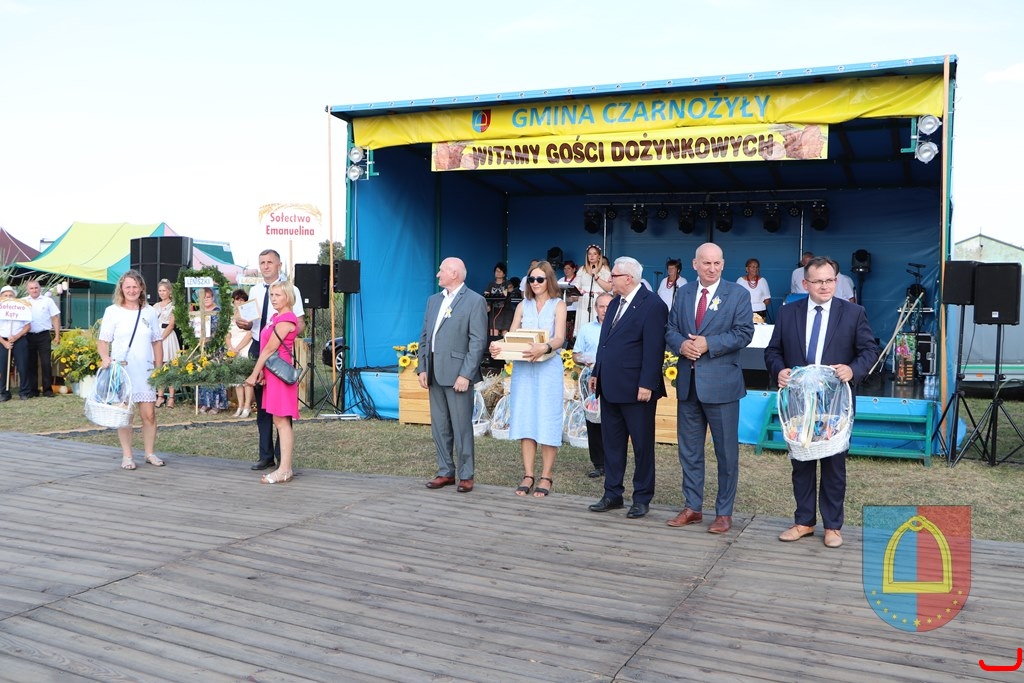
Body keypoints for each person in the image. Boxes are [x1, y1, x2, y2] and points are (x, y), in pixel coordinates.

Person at [764, 256, 878, 549]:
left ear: (836, 282)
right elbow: (773, 351)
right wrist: (779, 370)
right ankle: (803, 522)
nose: (825, 286)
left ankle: (832, 526)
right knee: (801, 463)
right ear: (805, 284)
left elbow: (869, 351)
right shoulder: (788, 313)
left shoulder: (853, 313)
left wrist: (852, 370)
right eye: (818, 281)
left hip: (836, 403)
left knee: (834, 465)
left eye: (830, 280)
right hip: (799, 402)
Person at [665, 243, 754, 534]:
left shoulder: (738, 294)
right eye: (706, 263)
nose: (712, 268)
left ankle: (724, 513)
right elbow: (670, 329)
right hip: (689, 385)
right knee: (689, 451)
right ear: (695, 264)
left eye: (717, 263)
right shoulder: (683, 293)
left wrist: (709, 344)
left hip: (722, 386)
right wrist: (682, 345)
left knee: (726, 454)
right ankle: (692, 507)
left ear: (723, 264)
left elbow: (745, 333)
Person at [587, 256, 667, 519]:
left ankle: (642, 497)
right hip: (610, 386)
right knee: (612, 444)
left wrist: (647, 383)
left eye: (614, 276)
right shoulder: (614, 303)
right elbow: (605, 342)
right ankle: (612, 493)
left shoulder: (653, 304)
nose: (610, 279)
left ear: (629, 278)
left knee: (642, 446)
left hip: (637, 389)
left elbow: (654, 348)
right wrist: (597, 371)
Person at [490, 261, 567, 497]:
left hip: (548, 369)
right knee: (525, 418)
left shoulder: (559, 305)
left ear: (549, 280)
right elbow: (512, 335)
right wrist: (498, 346)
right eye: (531, 279)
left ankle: (546, 476)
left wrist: (544, 347)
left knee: (548, 418)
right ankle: (528, 474)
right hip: (524, 369)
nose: (535, 283)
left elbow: (560, 338)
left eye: (540, 279)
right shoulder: (523, 305)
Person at [417, 257, 488, 493]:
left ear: (454, 273)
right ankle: (445, 471)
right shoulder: (433, 300)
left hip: (458, 375)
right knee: (439, 426)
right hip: (434, 372)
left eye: (442, 271)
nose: (438, 274)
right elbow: (425, 336)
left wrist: (466, 374)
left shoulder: (475, 301)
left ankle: (466, 475)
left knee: (461, 427)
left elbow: (477, 341)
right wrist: (422, 367)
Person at [234, 249, 304, 471]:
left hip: (278, 351)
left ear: (279, 265)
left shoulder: (290, 290)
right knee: (263, 405)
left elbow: (300, 322)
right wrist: (244, 324)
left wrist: (286, 334)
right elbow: (252, 320)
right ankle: (265, 455)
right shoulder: (254, 289)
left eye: (269, 262)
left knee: (281, 409)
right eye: (262, 262)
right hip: (258, 344)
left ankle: (283, 458)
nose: (265, 266)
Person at [96, 270, 164, 470]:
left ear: (141, 288)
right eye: (128, 287)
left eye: (135, 286)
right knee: (125, 415)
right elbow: (103, 341)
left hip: (145, 370)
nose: (132, 290)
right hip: (122, 371)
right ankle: (127, 456)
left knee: (149, 415)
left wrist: (159, 368)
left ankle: (150, 453)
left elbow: (157, 341)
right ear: (121, 289)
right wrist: (105, 357)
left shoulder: (149, 312)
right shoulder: (112, 311)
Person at [244, 280, 300, 484]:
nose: (274, 299)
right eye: (272, 295)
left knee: (282, 421)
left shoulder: (286, 319)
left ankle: (284, 469)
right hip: (271, 373)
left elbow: (269, 349)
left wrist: (254, 374)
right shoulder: (276, 318)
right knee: (278, 420)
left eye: (278, 295)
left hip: (279, 374)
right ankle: (284, 468)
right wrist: (261, 372)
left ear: (288, 297)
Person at [572, 292, 611, 478]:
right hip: (590, 379)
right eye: (601, 306)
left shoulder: (620, 327)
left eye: (608, 306)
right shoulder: (586, 329)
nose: (605, 310)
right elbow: (575, 355)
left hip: (613, 378)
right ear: (595, 308)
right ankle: (599, 464)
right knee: (593, 420)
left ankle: (613, 462)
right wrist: (584, 359)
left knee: (612, 420)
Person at [24, 279, 61, 397]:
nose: (34, 290)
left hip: (44, 335)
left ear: (40, 288)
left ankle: (47, 389)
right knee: (31, 363)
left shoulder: (48, 301)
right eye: (31, 288)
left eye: (36, 287)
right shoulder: (23, 302)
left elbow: (55, 318)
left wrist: (57, 335)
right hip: (28, 336)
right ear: (27, 290)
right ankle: (33, 390)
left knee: (46, 363)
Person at [195, 287, 228, 414]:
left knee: (215, 373)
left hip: (215, 346)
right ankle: (205, 403)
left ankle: (216, 404)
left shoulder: (218, 311)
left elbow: (221, 329)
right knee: (203, 372)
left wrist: (211, 338)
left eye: (208, 297)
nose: (206, 300)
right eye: (203, 298)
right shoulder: (200, 311)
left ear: (213, 298)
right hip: (202, 346)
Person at [0, 285, 31, 402]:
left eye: (10, 295)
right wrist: (4, 342)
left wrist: (16, 337)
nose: (8, 297)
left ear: (14, 296)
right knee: (3, 367)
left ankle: (24, 392)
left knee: (23, 366)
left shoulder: (22, 307)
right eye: (5, 295)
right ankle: (4, 393)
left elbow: (27, 326)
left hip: (19, 340)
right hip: (3, 341)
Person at [153, 279, 180, 408]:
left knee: (170, 366)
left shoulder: (173, 306)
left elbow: (171, 324)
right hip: (156, 334)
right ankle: (160, 396)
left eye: (164, 290)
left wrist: (161, 338)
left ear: (169, 291)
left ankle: (172, 397)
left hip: (167, 336)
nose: (162, 293)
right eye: (160, 290)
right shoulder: (155, 306)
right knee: (158, 367)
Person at [227, 288, 254, 418]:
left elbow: (250, 334)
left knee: (246, 379)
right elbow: (227, 334)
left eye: (242, 300)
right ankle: (240, 406)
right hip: (233, 348)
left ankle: (247, 406)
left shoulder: (249, 314)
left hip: (245, 347)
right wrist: (231, 347)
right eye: (237, 300)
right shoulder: (231, 315)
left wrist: (238, 348)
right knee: (237, 380)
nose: (239, 302)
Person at [576, 244, 612, 325]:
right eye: (589, 254)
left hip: (598, 301)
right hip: (584, 301)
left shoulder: (604, 268)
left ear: (599, 256)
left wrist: (597, 277)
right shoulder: (582, 269)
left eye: (594, 254)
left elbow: (609, 288)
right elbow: (576, 285)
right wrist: (579, 290)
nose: (592, 256)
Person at [483, 262, 514, 337]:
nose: (498, 272)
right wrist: (487, 305)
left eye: (500, 271)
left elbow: (511, 288)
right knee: (493, 333)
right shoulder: (491, 284)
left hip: (506, 311)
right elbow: (486, 295)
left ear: (504, 274)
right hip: (494, 311)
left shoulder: (507, 283)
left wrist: (507, 290)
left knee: (505, 333)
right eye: (497, 271)